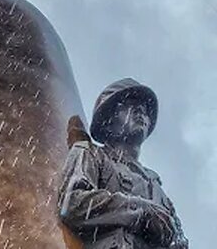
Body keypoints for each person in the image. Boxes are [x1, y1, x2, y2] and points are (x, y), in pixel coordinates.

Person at [59, 78, 188, 248]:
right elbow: (72, 204)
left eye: (144, 109)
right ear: (108, 121)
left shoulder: (157, 189)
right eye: (129, 105)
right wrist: (140, 211)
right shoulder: (90, 154)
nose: (140, 111)